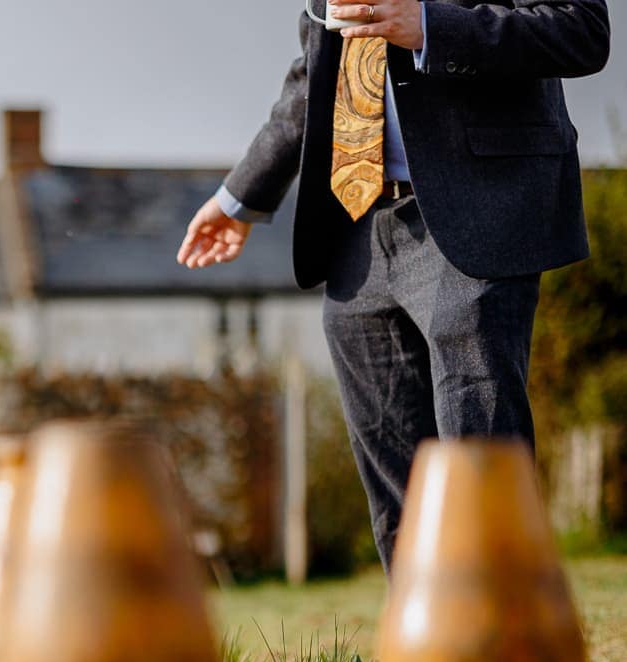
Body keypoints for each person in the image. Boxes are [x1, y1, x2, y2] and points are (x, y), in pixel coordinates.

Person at [178, 0, 610, 572]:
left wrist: (431, 26)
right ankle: (418, 649)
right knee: (397, 491)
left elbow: (581, 29)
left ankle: (506, 641)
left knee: (478, 464)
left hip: (476, 211)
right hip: (356, 221)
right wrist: (238, 198)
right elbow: (317, 71)